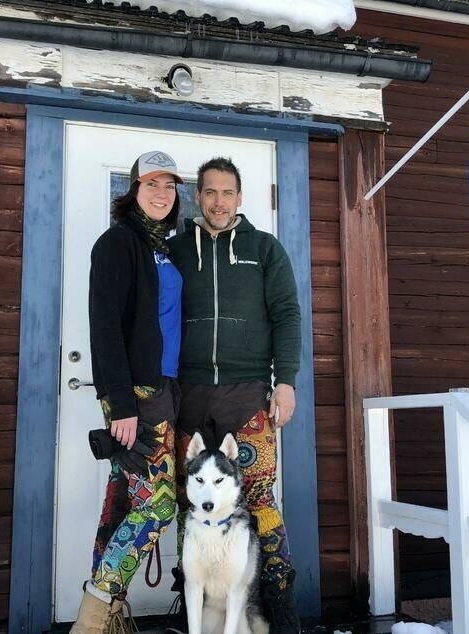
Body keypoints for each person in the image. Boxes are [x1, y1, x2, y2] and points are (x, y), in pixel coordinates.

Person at [167, 157, 303, 634]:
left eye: (228, 192)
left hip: (247, 394)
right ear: (198, 197)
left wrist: (284, 381)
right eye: (210, 192)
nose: (219, 202)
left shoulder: (265, 250)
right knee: (193, 501)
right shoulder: (176, 249)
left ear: (240, 197)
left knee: (260, 500)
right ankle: (194, 614)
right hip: (190, 394)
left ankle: (279, 614)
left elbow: (287, 314)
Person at [71, 150, 185, 634]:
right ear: (133, 190)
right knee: (158, 504)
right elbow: (105, 329)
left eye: (170, 185)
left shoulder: (165, 247)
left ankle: (107, 616)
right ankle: (95, 618)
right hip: (136, 394)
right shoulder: (117, 243)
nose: (161, 193)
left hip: (165, 387)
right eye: (151, 184)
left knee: (123, 501)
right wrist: (120, 404)